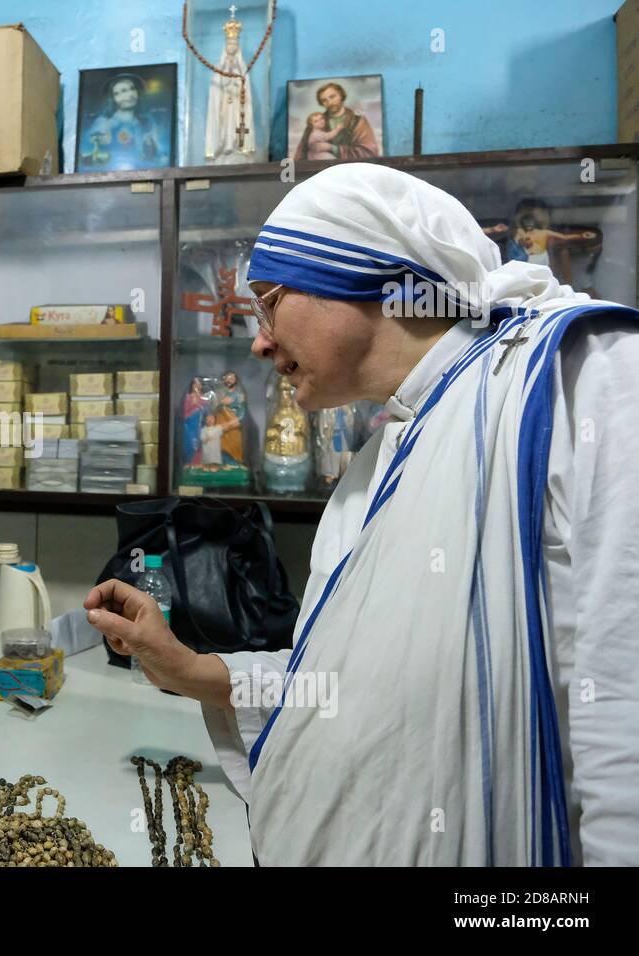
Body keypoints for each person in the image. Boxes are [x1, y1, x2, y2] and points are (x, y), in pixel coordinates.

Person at [86, 163, 639, 865]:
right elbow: (348, 690)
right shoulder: (379, 461)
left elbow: (623, 718)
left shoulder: (586, 377)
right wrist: (190, 668)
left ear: (358, 271)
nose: (258, 342)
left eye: (268, 303)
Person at [83, 74, 163, 169]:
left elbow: (159, 154)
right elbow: (87, 146)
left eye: (132, 89)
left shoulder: (147, 122)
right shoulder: (104, 122)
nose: (130, 95)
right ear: (114, 98)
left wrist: (151, 147)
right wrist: (98, 139)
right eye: (122, 91)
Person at [294, 82, 379, 161]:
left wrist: (332, 148)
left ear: (341, 96)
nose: (329, 102)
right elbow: (301, 154)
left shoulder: (357, 121)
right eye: (324, 100)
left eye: (332, 97)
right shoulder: (315, 124)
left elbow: (369, 152)